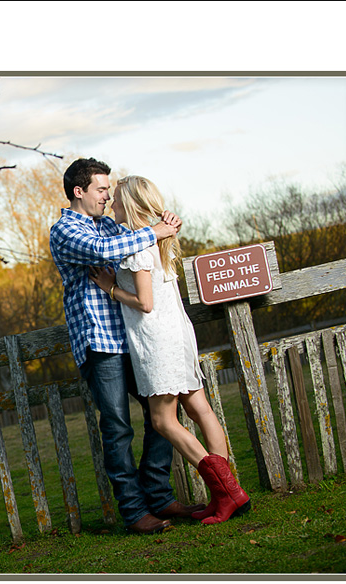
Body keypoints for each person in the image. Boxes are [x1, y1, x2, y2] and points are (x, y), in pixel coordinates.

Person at [49, 158, 204, 534]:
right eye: (102, 190)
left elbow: (136, 240)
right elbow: (107, 250)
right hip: (100, 342)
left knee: (161, 413)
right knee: (118, 427)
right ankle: (135, 512)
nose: (107, 196)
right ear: (78, 191)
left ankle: (159, 494)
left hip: (133, 338)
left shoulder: (109, 225)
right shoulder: (66, 230)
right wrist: (157, 230)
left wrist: (160, 220)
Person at [89, 175, 250, 524]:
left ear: (130, 204)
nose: (112, 204)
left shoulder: (135, 247)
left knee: (163, 419)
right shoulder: (162, 238)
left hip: (157, 339)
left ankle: (227, 492)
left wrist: (110, 287)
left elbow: (144, 303)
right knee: (200, 410)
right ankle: (228, 493)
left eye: (116, 199)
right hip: (179, 333)